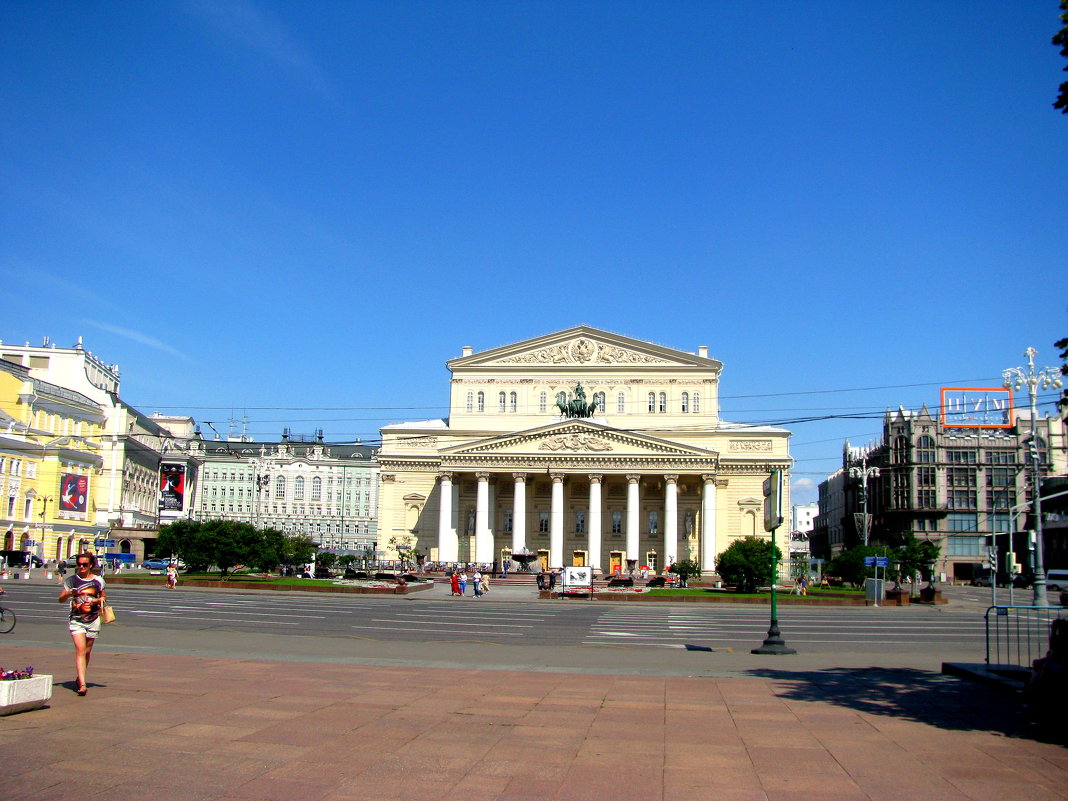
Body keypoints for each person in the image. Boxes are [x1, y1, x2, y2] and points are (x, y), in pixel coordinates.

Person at [58, 552, 106, 696]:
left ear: (91, 565)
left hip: (93, 619)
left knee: (87, 651)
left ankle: (81, 676)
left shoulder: (98, 581)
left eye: (84, 564)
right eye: (79, 564)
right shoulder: (71, 580)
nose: (81, 567)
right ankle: (83, 684)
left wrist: (96, 601)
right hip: (76, 620)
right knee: (80, 649)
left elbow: (103, 597)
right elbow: (60, 599)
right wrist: (66, 594)